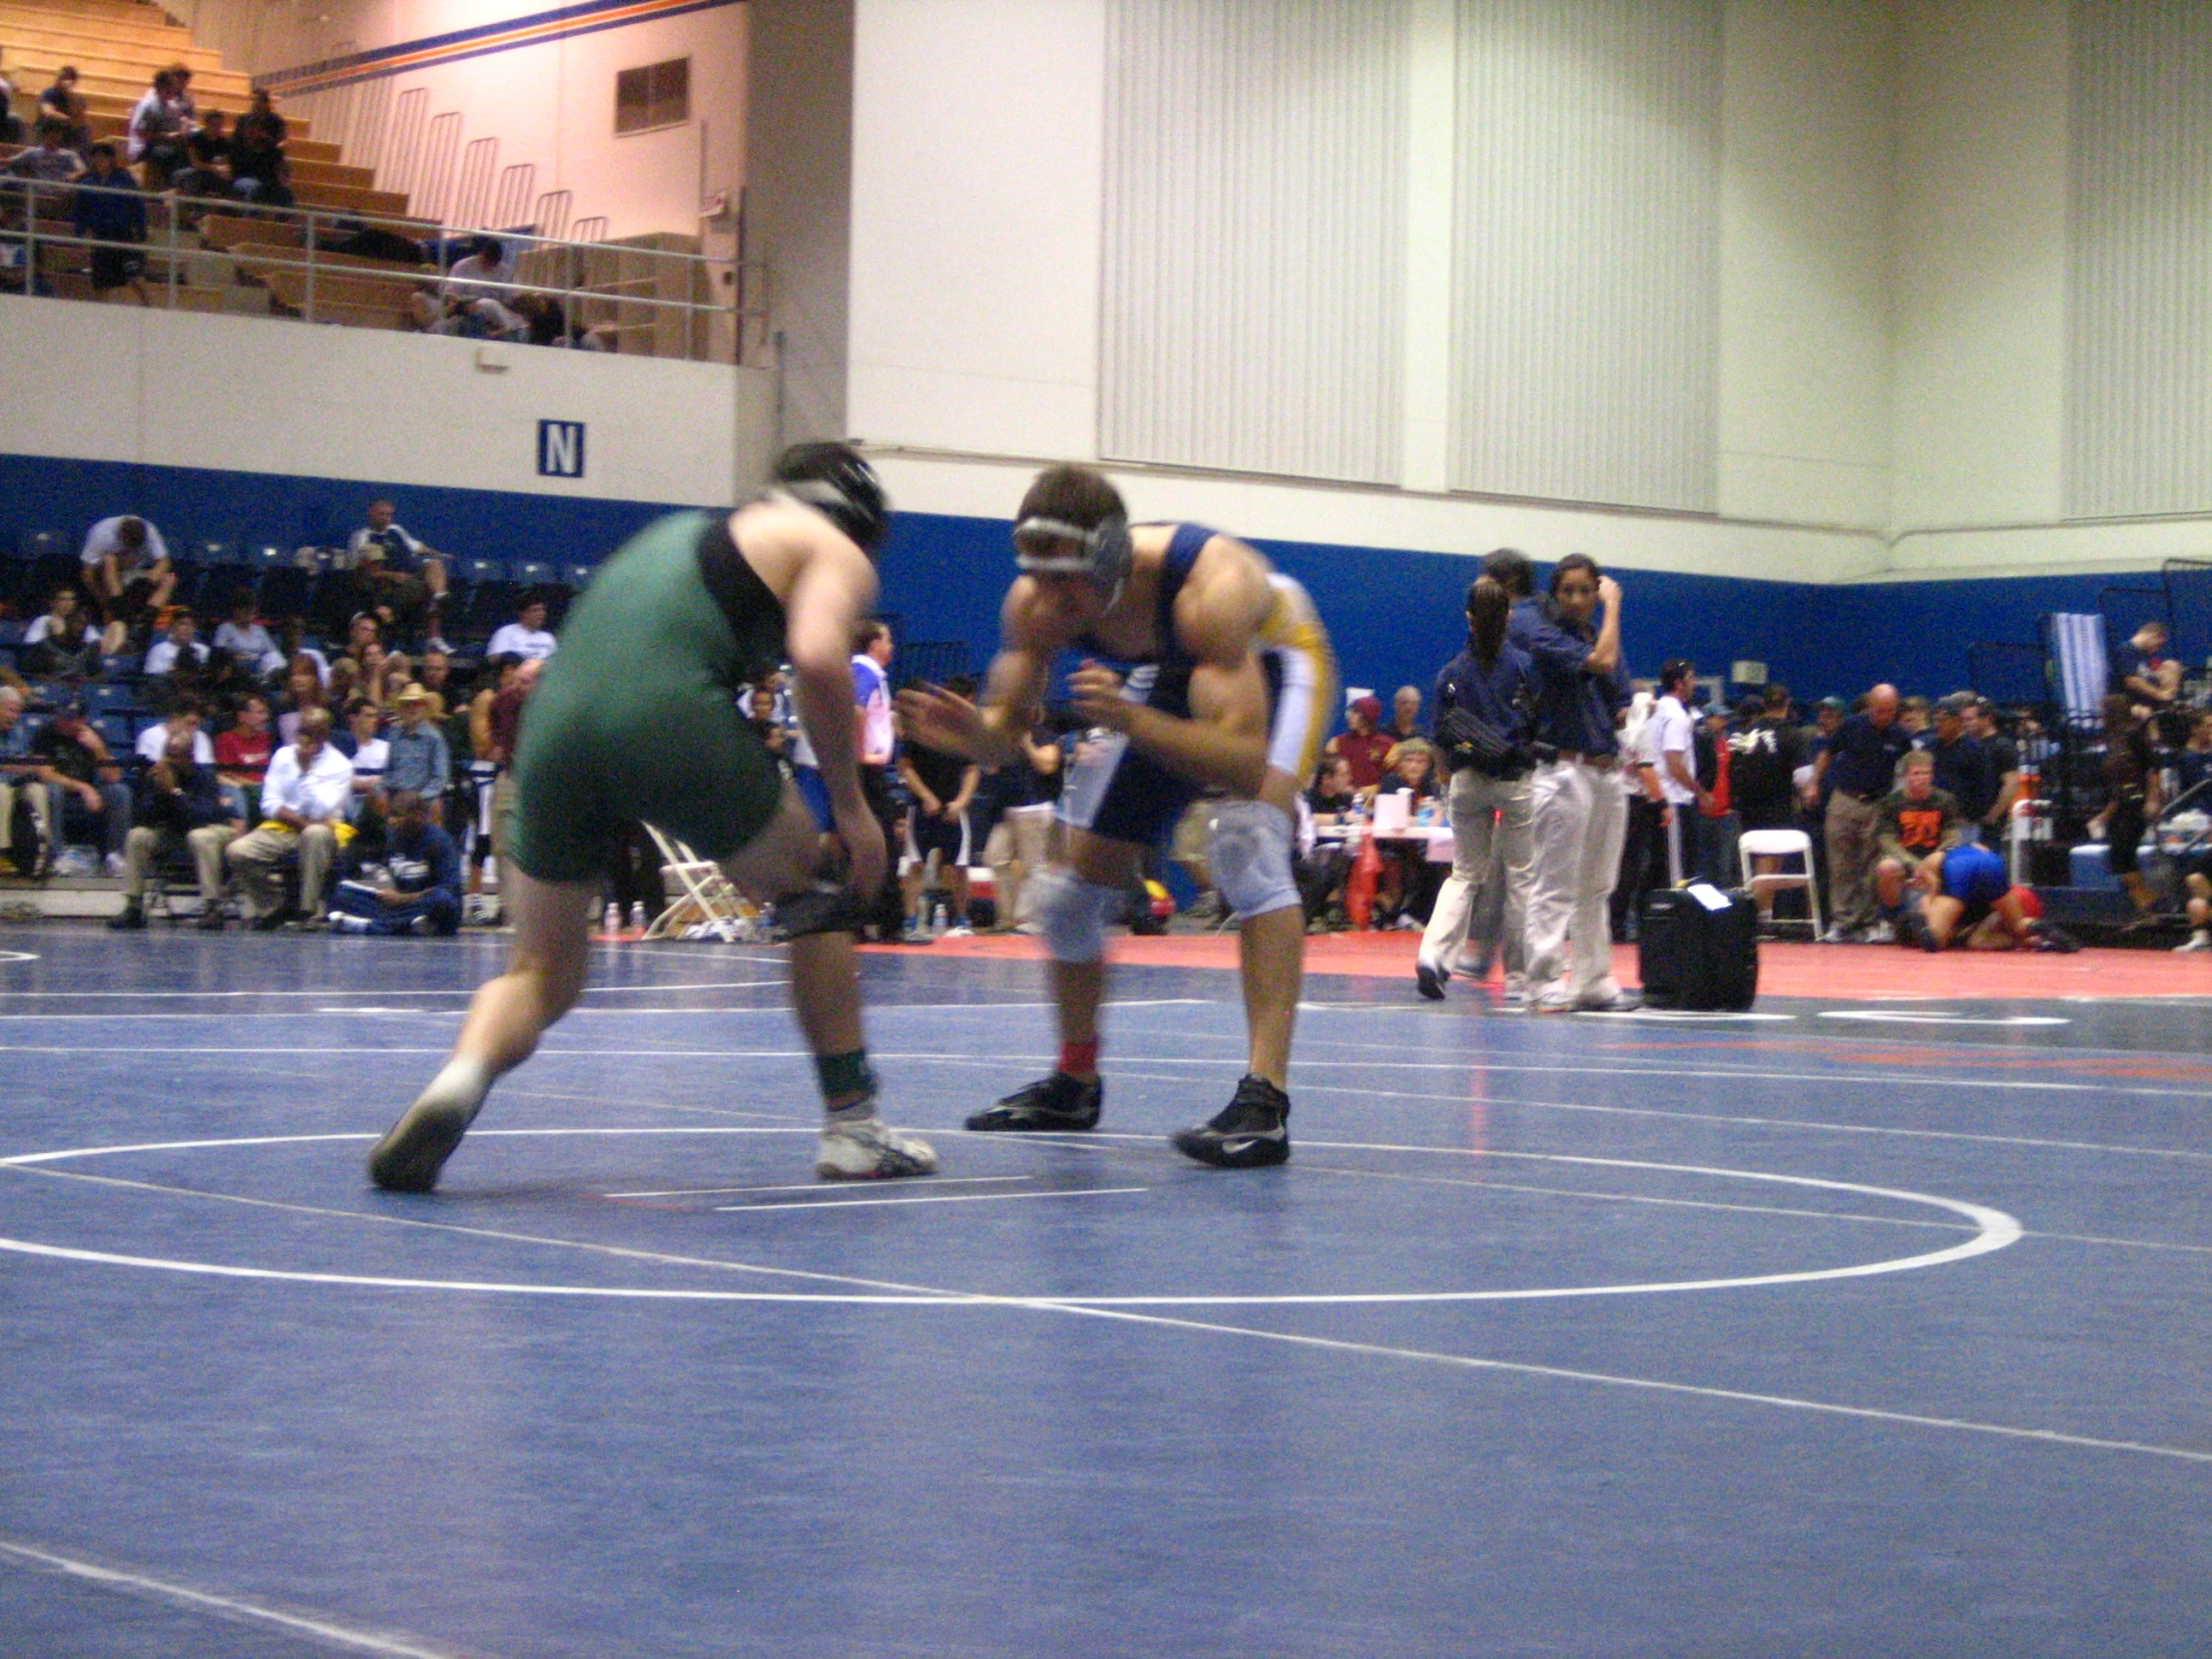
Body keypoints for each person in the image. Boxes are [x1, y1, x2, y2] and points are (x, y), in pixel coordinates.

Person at [366, 442, 936, 1192]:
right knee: (814, 892)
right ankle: (854, 1127)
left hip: (553, 728)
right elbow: (820, 656)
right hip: (662, 712)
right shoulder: (830, 546)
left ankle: (461, 1077)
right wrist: (855, 810)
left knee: (542, 972)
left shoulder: (679, 532)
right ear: (856, 521)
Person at [899, 464, 1336, 1168]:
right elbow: (1006, 736)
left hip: (1270, 654)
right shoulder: (1036, 604)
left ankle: (1265, 1102)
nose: (1048, 599)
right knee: (1072, 900)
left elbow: (1242, 764)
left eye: (1065, 579)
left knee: (1250, 842)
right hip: (1172, 668)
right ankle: (1075, 1079)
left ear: (1110, 560)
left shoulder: (1211, 587)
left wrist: (1132, 717)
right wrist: (970, 737)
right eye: (1035, 577)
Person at [1487, 549, 1637, 1014]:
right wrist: (1614, 606)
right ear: (1553, 594)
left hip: (1606, 772)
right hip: (1563, 772)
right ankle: (1544, 980)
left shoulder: (1594, 634)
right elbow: (1604, 663)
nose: (1577, 599)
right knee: (1555, 883)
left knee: (1598, 885)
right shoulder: (1546, 637)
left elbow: (1620, 698)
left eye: (1587, 591)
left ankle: (1593, 979)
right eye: (1568, 591)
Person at [1416, 573, 1537, 1004]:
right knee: (1521, 878)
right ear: (1508, 616)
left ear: (1468, 617)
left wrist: (1450, 782)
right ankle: (1521, 978)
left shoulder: (1451, 672)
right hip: (1516, 782)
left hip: (1467, 781)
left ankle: (1433, 957)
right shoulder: (1525, 667)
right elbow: (1539, 728)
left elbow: (1438, 742)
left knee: (1464, 876)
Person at [224, 706, 355, 929]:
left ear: (324, 734)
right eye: (302, 730)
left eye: (311, 732)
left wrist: (306, 772)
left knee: (314, 834)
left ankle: (308, 911)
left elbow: (320, 811)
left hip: (325, 830)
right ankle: (273, 906)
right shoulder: (283, 755)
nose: (304, 737)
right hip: (284, 825)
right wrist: (301, 822)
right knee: (237, 851)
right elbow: (269, 803)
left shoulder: (340, 765)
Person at [110, 730, 241, 930]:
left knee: (199, 837)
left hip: (213, 829)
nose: (169, 761)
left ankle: (212, 907)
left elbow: (200, 817)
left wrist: (175, 792)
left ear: (190, 758)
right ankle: (134, 906)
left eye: (175, 756)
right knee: (138, 835)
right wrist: (158, 791)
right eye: (167, 755)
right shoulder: (158, 775)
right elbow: (142, 818)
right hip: (175, 832)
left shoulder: (204, 777)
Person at [1815, 683, 1912, 940]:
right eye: (1880, 710)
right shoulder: (1851, 726)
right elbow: (1827, 753)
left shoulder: (1900, 736)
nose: (1885, 716)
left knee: (1872, 865)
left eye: (1890, 711)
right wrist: (1814, 784)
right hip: (1844, 800)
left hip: (1879, 804)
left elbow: (1909, 765)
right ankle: (1842, 921)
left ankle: (1868, 923)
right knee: (1841, 863)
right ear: (1870, 707)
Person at [898, 676, 981, 935]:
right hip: (922, 807)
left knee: (960, 865)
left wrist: (961, 801)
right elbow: (905, 768)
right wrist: (925, 796)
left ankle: (961, 920)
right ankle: (910, 921)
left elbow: (971, 770)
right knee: (915, 863)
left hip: (953, 807)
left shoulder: (964, 732)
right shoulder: (920, 729)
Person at [328, 791, 463, 936]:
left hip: (424, 903)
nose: (392, 821)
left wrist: (404, 898)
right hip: (401, 906)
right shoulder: (391, 837)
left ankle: (371, 927)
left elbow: (450, 888)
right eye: (391, 815)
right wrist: (381, 890)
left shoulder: (439, 840)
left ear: (417, 816)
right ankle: (410, 925)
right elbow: (370, 869)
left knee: (443, 900)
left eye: (398, 815)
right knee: (342, 894)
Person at [850, 620, 907, 941]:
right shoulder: (867, 672)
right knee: (881, 844)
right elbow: (856, 710)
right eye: (887, 640)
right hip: (867, 769)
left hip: (864, 768)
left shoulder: (866, 673)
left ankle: (863, 921)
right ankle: (889, 922)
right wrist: (860, 752)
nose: (892, 646)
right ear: (873, 644)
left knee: (866, 843)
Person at [30, 702, 132, 874]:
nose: (62, 721)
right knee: (53, 790)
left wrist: (98, 749)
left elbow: (114, 776)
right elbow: (45, 774)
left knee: (120, 791)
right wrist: (83, 787)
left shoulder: (94, 735)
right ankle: (57, 857)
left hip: (88, 799)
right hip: (59, 796)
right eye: (61, 716)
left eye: (69, 718)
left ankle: (115, 856)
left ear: (82, 720)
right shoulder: (46, 733)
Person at [1870, 750, 1963, 938]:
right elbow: (1887, 841)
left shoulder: (1945, 800)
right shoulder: (1890, 803)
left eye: (1927, 773)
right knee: (1886, 868)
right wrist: (1915, 865)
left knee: (1959, 866)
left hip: (1935, 857)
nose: (1923, 778)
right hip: (1903, 858)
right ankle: (1891, 920)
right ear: (1905, 776)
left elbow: (1951, 836)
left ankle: (1950, 922)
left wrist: (1930, 863)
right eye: (1916, 773)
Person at [2091, 693, 2162, 924]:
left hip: (2136, 802)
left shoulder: (2132, 735)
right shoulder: (2113, 740)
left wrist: (2152, 799)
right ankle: (2145, 905)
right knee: (2120, 856)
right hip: (2121, 804)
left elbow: (2152, 768)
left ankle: (2148, 904)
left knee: (2123, 853)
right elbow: (2116, 784)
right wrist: (2107, 813)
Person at [1907, 843, 2040, 952]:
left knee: (1936, 939)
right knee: (2017, 925)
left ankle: (1926, 930)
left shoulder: (1928, 862)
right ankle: (2038, 928)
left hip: (1959, 869)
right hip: (1993, 863)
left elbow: (1934, 890)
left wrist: (1927, 911)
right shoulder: (1975, 847)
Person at [347, 500, 448, 638]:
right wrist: (392, 575)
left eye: (389, 515)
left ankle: (439, 596)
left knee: (434, 563)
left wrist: (439, 554)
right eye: (382, 514)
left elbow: (418, 547)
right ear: (371, 514)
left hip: (409, 576)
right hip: (385, 583)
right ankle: (433, 635)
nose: (386, 518)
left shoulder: (397, 530)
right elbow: (362, 569)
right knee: (423, 590)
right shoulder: (362, 536)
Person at [79, 513, 171, 650]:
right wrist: (103, 600)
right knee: (110, 559)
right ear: (121, 535)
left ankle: (144, 622)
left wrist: (146, 585)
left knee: (169, 578)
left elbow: (164, 561)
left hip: (135, 577)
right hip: (107, 579)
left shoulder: (150, 530)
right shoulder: (101, 532)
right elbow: (87, 574)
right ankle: (119, 608)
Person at [1649, 660, 1702, 884]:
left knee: (1659, 868)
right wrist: (1701, 793)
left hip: (1661, 799)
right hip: (1673, 801)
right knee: (1676, 875)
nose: (1695, 684)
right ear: (1680, 684)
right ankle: (1675, 918)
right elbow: (1674, 764)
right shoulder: (1676, 716)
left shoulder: (1658, 711)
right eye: (1692, 678)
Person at [21, 585, 100, 679]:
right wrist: (55, 636)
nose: (68, 603)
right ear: (52, 603)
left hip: (78, 667)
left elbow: (96, 645)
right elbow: (31, 647)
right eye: (63, 599)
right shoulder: (43, 620)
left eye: (72, 599)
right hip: (53, 668)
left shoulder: (80, 623)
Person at [230, 89, 291, 207]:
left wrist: (268, 141)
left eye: (257, 101)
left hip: (266, 173)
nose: (254, 105)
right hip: (245, 174)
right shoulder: (243, 124)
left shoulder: (276, 123)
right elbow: (235, 146)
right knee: (256, 189)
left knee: (285, 193)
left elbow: (282, 142)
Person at [1325, 694, 1392, 793]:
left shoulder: (1388, 745)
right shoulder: (1336, 744)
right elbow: (1326, 778)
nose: (1350, 716)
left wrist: (1375, 789)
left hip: (1375, 802)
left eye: (1355, 712)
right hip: (1341, 800)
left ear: (1367, 717)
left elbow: (1394, 781)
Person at [486, 596, 557, 661]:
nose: (541, 613)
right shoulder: (505, 632)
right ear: (523, 613)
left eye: (543, 610)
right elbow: (493, 660)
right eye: (535, 610)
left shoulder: (548, 637)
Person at [38, 69, 90, 153]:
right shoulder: (49, 93)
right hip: (52, 124)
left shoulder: (77, 98)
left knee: (83, 130)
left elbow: (80, 118)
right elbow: (48, 112)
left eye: (64, 78)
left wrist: (69, 94)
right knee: (54, 124)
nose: (59, 80)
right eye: (60, 77)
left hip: (69, 128)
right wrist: (68, 120)